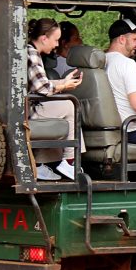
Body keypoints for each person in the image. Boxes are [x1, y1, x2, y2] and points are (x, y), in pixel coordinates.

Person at [27, 18, 83, 180]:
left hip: (27, 106)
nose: (57, 45)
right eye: (56, 40)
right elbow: (43, 88)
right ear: (44, 38)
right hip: (27, 110)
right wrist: (64, 87)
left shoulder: (30, 52)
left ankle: (38, 164)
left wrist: (63, 82)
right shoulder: (32, 53)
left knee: (66, 104)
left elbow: (39, 83)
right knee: (71, 105)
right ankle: (69, 160)